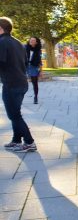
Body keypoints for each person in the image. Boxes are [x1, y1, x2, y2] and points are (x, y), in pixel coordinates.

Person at [0, 17, 37, 152]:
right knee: (15, 112)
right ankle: (16, 140)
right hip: (21, 82)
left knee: (14, 115)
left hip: (11, 83)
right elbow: (25, 63)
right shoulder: (17, 42)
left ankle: (29, 142)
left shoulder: (2, 42)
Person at [25, 36, 42, 104]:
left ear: (36, 42)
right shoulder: (25, 48)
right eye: (30, 40)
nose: (31, 41)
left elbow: (40, 61)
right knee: (22, 82)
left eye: (33, 40)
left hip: (33, 67)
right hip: (25, 66)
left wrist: (41, 71)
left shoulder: (38, 50)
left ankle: (35, 97)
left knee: (35, 83)